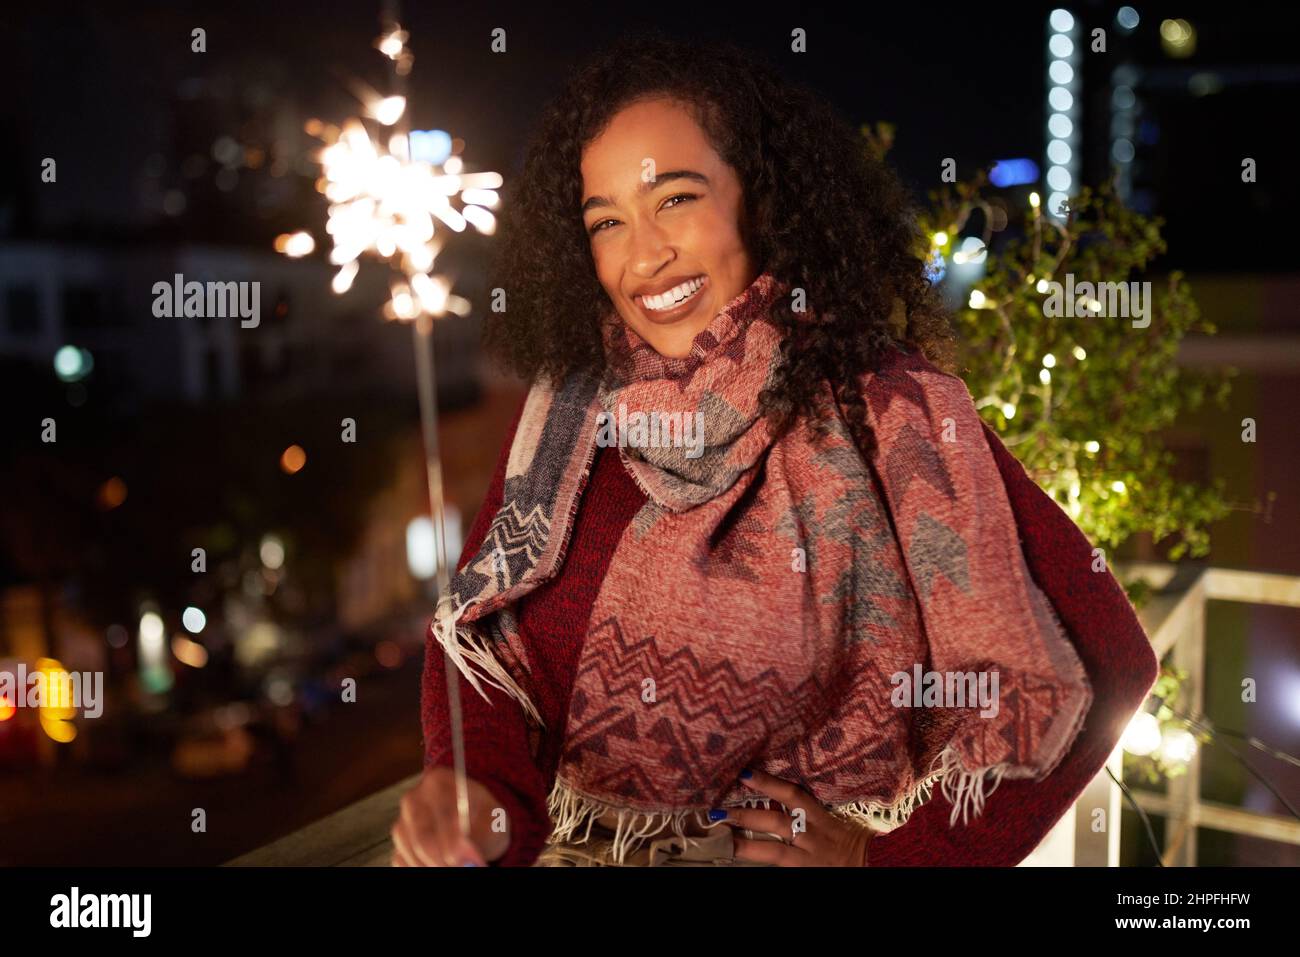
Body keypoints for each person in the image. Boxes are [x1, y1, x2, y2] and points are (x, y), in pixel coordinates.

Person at [390, 32, 1158, 868]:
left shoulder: (891, 412)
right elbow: (479, 641)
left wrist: (887, 863)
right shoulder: (569, 413)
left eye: (676, 199)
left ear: (762, 200)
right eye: (606, 221)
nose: (644, 256)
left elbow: (1110, 664)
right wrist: (477, 797)